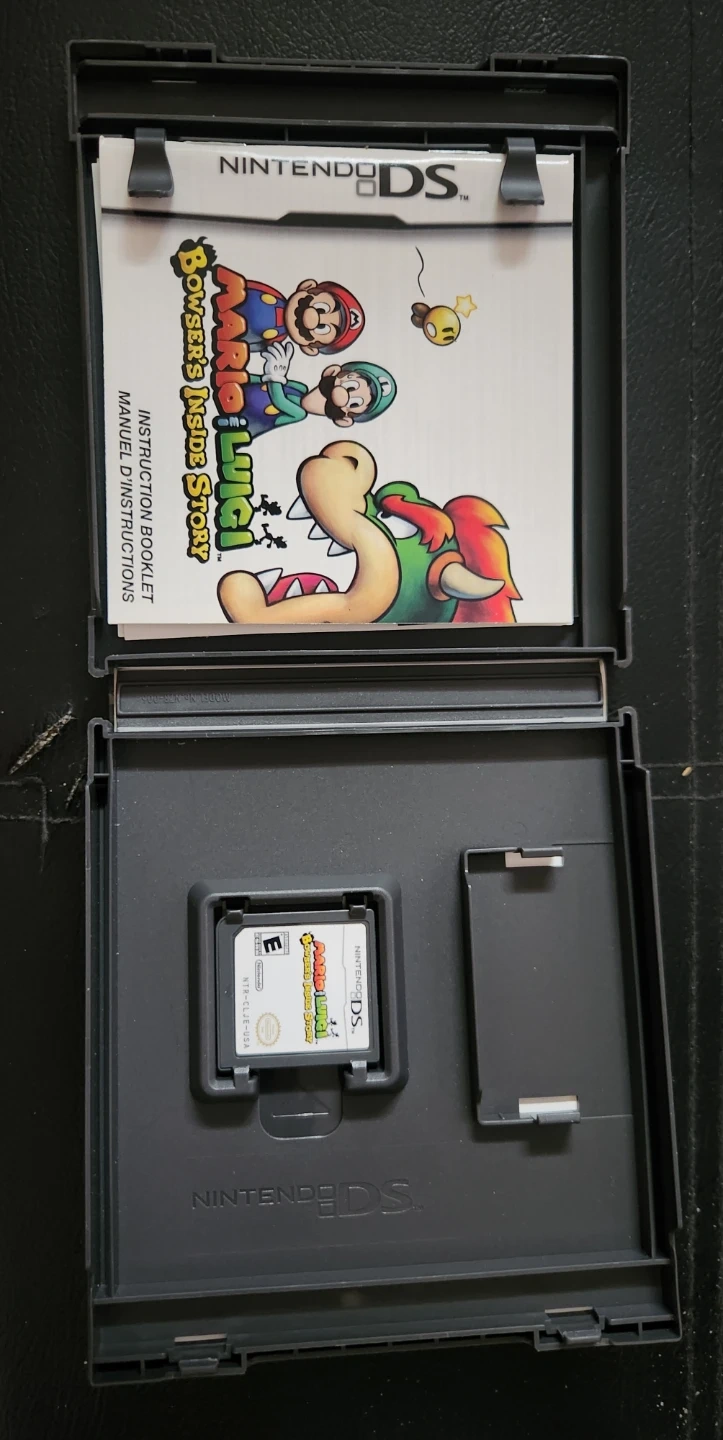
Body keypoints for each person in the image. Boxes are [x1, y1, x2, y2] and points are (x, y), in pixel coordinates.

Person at [239, 342, 396, 439]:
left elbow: (279, 401)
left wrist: (275, 375)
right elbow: (260, 380)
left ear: (344, 420)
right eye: (350, 386)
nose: (342, 396)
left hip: (240, 420)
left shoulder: (298, 414)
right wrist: (241, 376)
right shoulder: (299, 388)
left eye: (354, 404)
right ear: (331, 372)